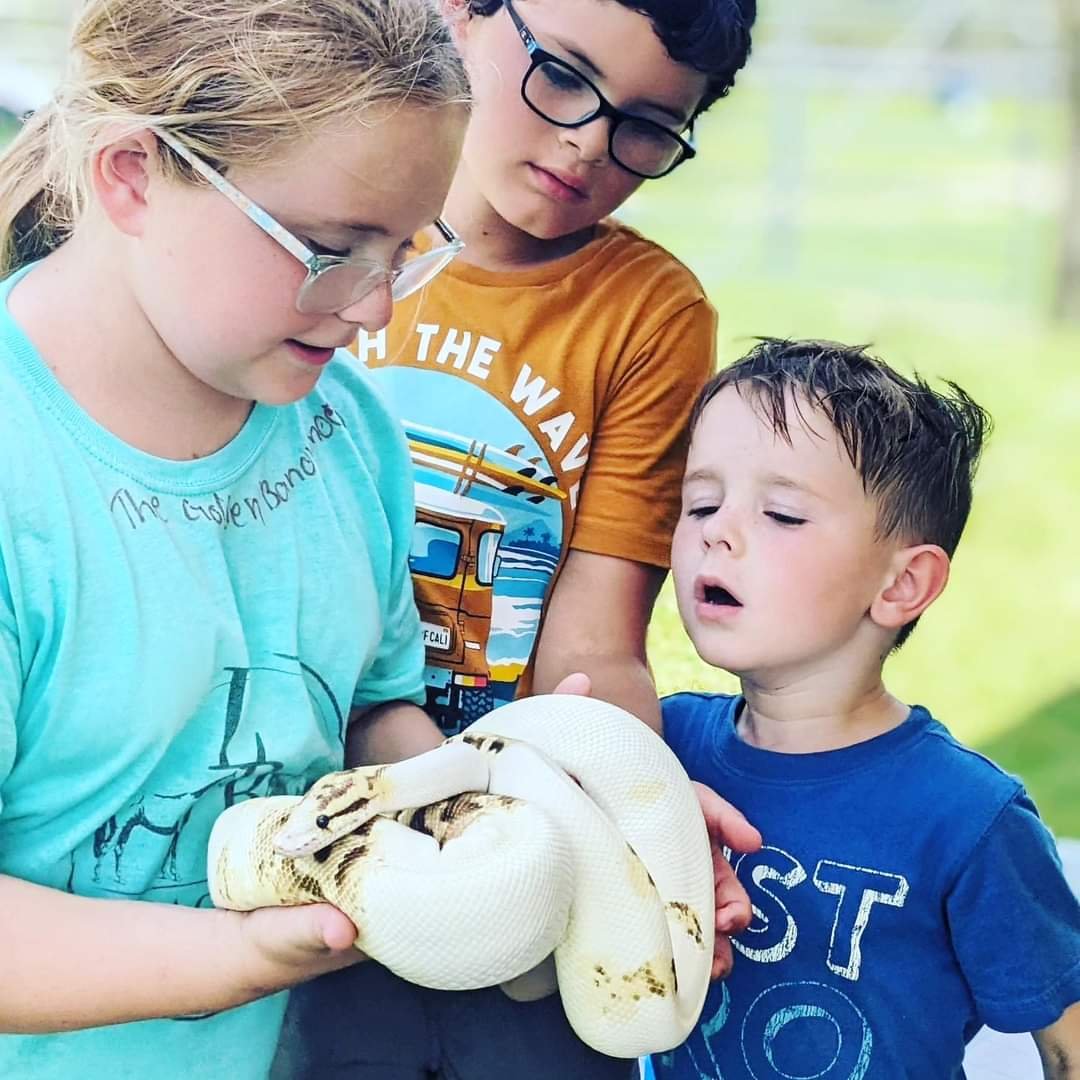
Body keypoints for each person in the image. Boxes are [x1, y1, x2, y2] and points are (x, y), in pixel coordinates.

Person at [283, 2, 760, 1077]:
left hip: (521, 838)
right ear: (460, 14)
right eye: (563, 74)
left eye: (647, 126)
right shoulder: (313, 221)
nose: (589, 142)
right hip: (302, 824)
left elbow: (598, 633)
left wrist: (634, 812)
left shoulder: (647, 311)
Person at [0, 0, 470, 1076]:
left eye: (406, 249)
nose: (375, 310)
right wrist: (245, 954)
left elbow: (373, 710)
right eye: (330, 248)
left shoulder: (351, 430)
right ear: (132, 176)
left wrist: (499, 803)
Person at [654, 338, 1080, 1078]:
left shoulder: (967, 817)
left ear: (902, 585)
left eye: (782, 514)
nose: (716, 531)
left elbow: (1068, 1042)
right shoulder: (659, 746)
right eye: (700, 502)